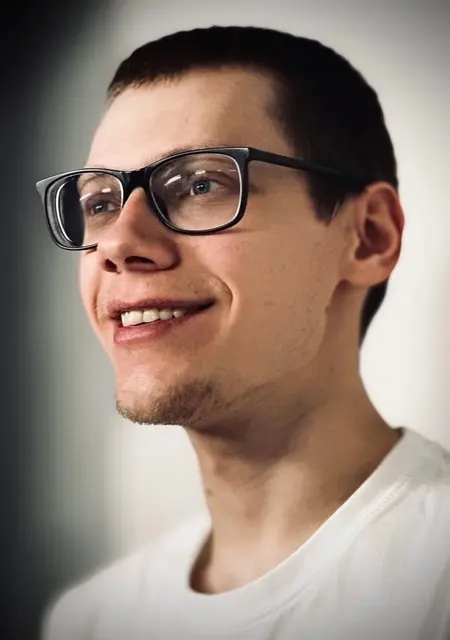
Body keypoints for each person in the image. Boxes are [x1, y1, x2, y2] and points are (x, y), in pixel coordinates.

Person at [37, 25, 450, 640]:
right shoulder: (89, 621)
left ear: (368, 237)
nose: (119, 243)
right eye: (99, 203)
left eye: (201, 185)